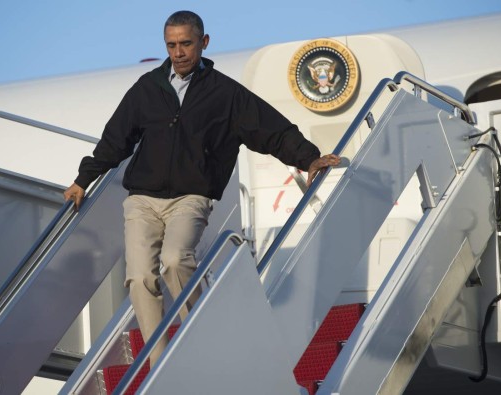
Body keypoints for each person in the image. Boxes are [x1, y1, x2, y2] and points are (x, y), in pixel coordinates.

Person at [64, 10, 341, 366]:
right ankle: (159, 363)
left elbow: (269, 129)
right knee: (138, 277)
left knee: (175, 261)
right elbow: (114, 141)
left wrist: (308, 158)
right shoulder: (147, 89)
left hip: (190, 197)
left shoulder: (224, 93)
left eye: (185, 44)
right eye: (171, 45)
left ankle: (203, 336)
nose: (178, 52)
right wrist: (82, 180)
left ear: (203, 42)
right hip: (143, 200)